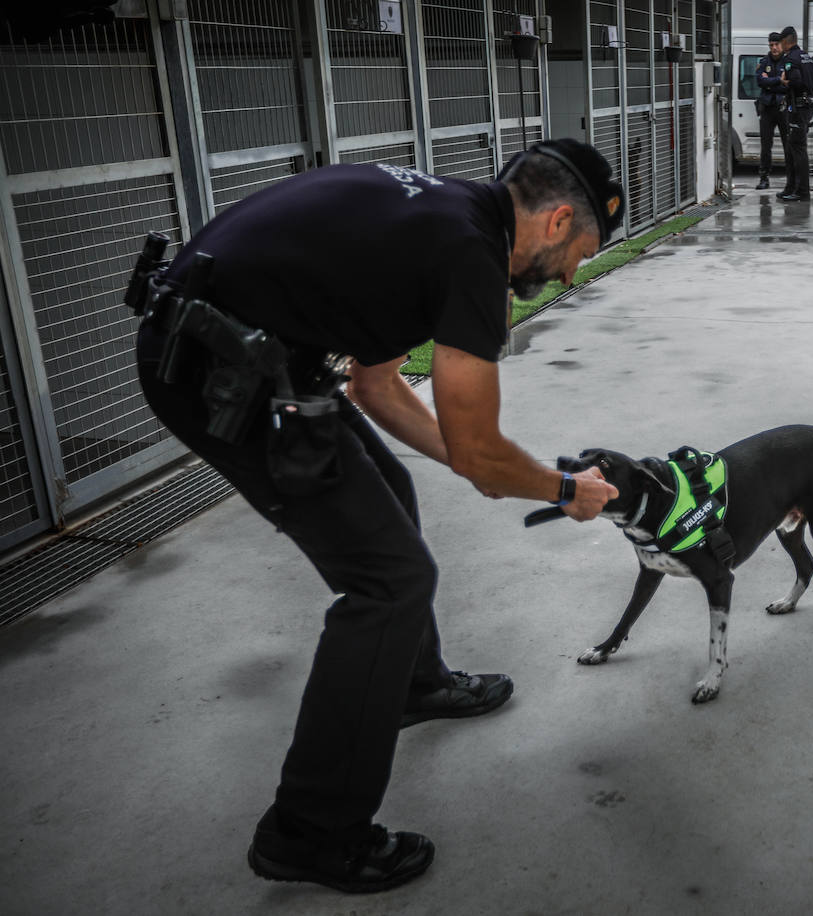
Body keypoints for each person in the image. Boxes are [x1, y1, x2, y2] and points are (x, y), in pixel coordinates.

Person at [130, 139, 623, 893]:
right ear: (557, 222)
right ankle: (309, 831)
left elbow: (378, 389)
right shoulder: (470, 259)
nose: (571, 272)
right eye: (580, 252)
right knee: (385, 583)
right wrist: (562, 489)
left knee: (389, 489)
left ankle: (412, 684)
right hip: (213, 370)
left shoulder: (445, 215)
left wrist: (486, 462)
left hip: (251, 353)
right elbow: (482, 453)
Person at [776, 25, 813, 202]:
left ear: (787, 41)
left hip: (798, 109)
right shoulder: (806, 56)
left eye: (780, 41)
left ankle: (802, 191)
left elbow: (795, 81)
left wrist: (784, 82)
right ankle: (791, 188)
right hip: (806, 107)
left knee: (798, 150)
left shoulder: (791, 59)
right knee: (793, 148)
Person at [753, 32, 789, 191]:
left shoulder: (788, 62)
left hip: (783, 108)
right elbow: (760, 80)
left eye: (776, 45)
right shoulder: (764, 62)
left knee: (788, 144)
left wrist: (771, 82)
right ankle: (764, 178)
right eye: (771, 45)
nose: (774, 48)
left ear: (782, 44)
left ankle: (791, 178)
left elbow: (788, 84)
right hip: (767, 109)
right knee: (765, 145)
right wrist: (778, 80)